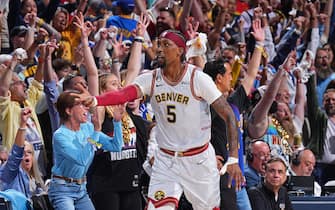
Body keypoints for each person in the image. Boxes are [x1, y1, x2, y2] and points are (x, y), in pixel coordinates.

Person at [80, 27, 242, 209]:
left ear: (180, 51)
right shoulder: (150, 78)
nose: (159, 49)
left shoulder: (198, 78)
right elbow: (122, 95)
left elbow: (228, 115)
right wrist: (95, 100)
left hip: (198, 159)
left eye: (166, 45)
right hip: (166, 160)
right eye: (159, 44)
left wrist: (234, 158)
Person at [203, 18, 264, 210]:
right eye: (229, 74)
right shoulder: (203, 105)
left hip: (237, 176)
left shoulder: (233, 101)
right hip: (216, 174)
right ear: (219, 78)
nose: (232, 77)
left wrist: (260, 44)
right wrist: (209, 156)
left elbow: (252, 75)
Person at [47, 91, 124, 210]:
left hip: (81, 188)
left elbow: (115, 147)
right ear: (69, 111)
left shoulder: (87, 128)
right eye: (81, 105)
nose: (86, 108)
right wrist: (96, 131)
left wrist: (117, 122)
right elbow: (81, 159)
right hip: (62, 189)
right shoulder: (60, 136)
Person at [0, 108, 46, 199]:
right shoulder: (9, 174)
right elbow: (16, 154)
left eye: (29, 152)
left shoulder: (37, 181)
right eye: (23, 153)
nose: (26, 155)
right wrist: (22, 124)